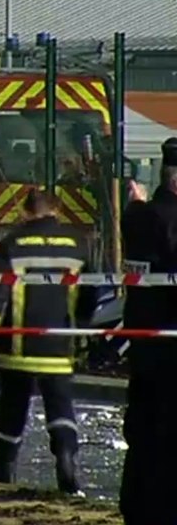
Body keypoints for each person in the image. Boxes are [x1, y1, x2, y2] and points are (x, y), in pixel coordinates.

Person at [0, 188, 99, 496]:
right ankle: (66, 456)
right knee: (60, 403)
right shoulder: (78, 244)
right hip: (60, 344)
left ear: (24, 211)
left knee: (13, 404)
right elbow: (91, 291)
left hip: (17, 345)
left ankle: (4, 464)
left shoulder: (12, 244)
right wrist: (81, 329)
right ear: (57, 210)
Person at [118, 138, 177, 523]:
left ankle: (137, 508)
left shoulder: (137, 216)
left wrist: (136, 201)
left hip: (143, 344)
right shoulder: (162, 219)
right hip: (172, 346)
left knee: (141, 431)